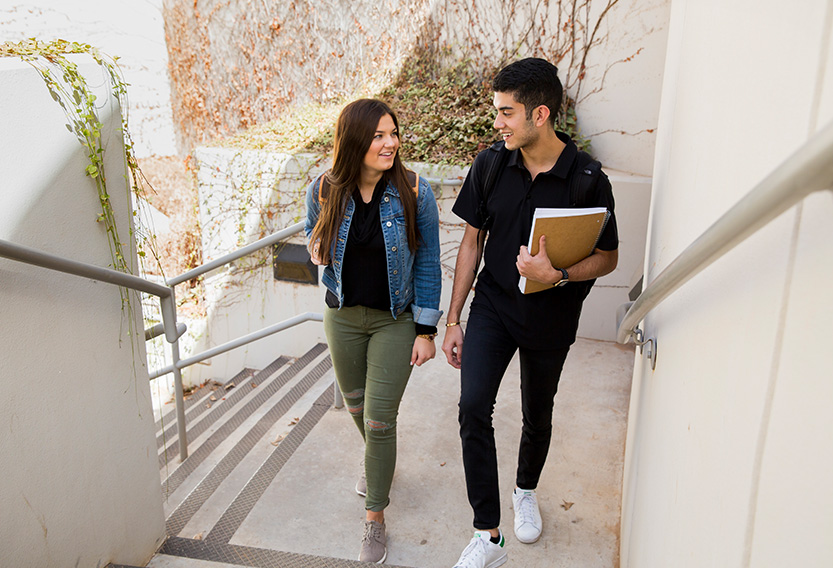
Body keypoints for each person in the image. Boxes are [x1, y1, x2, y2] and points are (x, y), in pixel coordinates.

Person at [441, 58, 619, 568]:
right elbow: (472, 241)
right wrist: (454, 319)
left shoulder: (588, 180)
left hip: (551, 318)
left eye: (506, 112)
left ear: (540, 114)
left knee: (537, 416)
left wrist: (557, 276)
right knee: (473, 406)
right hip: (493, 307)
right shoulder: (492, 164)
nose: (497, 122)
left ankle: (525, 489)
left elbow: (609, 257)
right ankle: (487, 535)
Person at [304, 98, 443, 564]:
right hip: (342, 316)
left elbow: (426, 261)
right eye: (378, 135)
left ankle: (374, 518)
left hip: (394, 320)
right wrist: (316, 249)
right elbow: (314, 239)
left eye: (393, 133)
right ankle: (377, 465)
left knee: (380, 420)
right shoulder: (323, 189)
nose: (390, 143)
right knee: (358, 407)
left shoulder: (414, 192)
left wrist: (426, 329)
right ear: (355, 141)